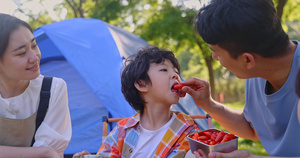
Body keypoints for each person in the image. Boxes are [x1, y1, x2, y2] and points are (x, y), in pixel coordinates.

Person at [182, 0, 300, 157]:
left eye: (216, 51)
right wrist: (208, 105)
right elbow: (254, 130)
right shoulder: (256, 74)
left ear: (247, 60)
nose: (214, 57)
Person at [73, 46, 201, 157]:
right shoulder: (122, 129)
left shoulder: (187, 129)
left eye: (176, 71)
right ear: (141, 84)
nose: (175, 75)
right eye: (164, 70)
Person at [0, 13, 72, 158]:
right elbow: (45, 153)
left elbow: (47, 153)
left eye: (34, 45)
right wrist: (44, 152)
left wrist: (44, 152)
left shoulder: (53, 88)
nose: (34, 57)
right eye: (21, 53)